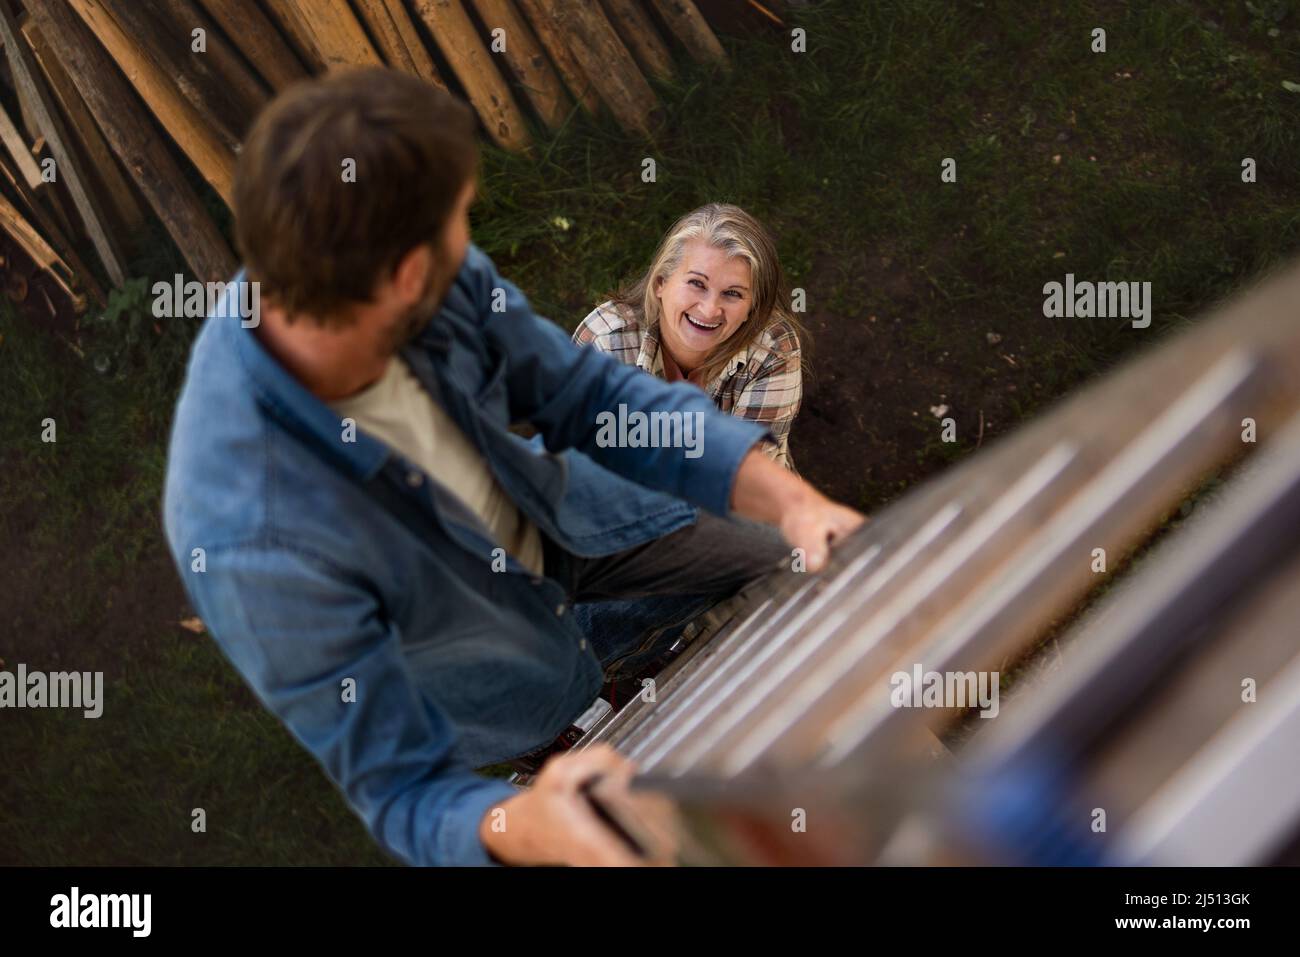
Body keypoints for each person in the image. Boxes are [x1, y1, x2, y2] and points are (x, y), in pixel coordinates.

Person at [162, 67, 863, 867]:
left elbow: (583, 391)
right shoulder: (248, 536)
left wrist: (791, 499)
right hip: (476, 647)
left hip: (558, 514)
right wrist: (527, 825)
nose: (470, 260)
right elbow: (401, 790)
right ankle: (569, 725)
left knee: (779, 540)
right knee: (621, 798)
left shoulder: (412, 261)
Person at [574, 203, 804, 471]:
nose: (709, 310)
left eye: (733, 293)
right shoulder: (605, 341)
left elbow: (742, 479)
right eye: (697, 284)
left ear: (752, 306)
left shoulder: (772, 348)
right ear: (661, 283)